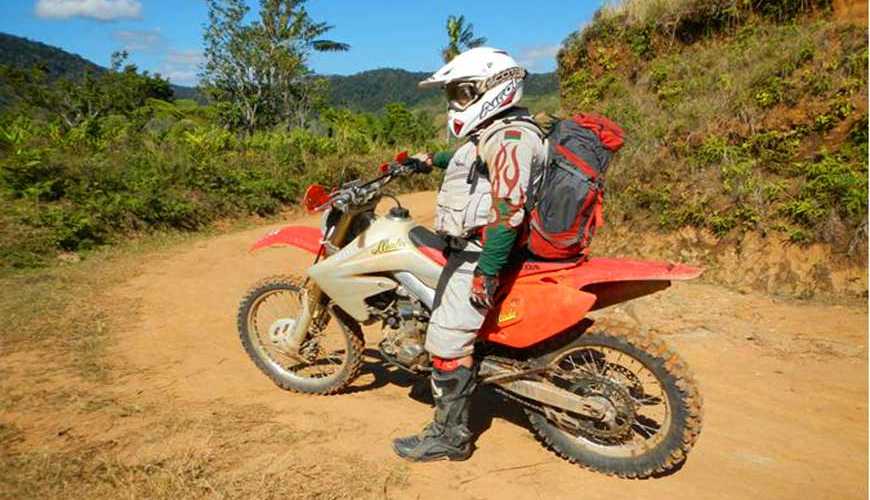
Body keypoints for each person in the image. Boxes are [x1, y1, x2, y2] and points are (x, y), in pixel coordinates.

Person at [393, 47, 546, 462]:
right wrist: (428, 161)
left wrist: (486, 272)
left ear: (490, 89)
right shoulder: (496, 132)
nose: (455, 103)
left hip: (481, 254)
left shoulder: (510, 138)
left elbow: (507, 211)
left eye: (461, 93)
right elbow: (468, 159)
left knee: (445, 342)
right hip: (472, 248)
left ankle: (450, 437)